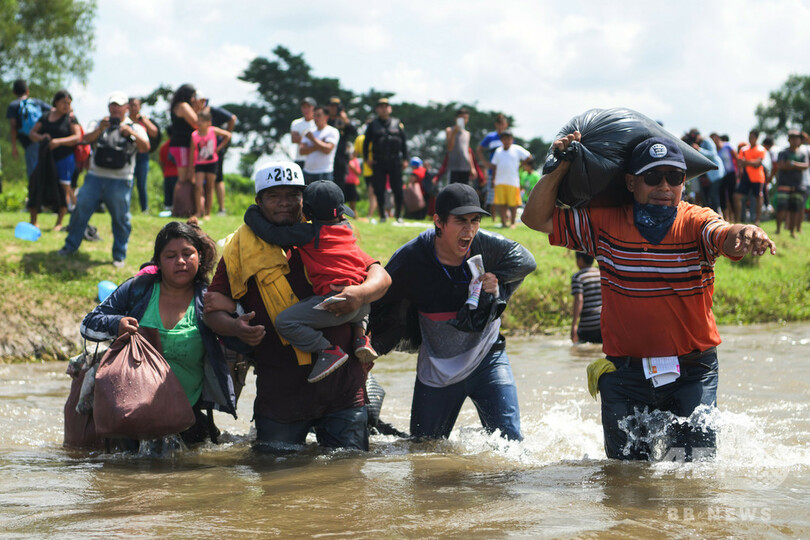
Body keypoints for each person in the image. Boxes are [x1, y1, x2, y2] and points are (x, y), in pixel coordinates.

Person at [522, 132, 776, 460]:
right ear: (630, 182)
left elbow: (722, 233)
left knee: (691, 474)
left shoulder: (695, 221)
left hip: (691, 371)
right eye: (653, 177)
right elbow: (535, 218)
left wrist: (743, 233)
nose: (665, 187)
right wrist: (560, 166)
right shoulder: (605, 223)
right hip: (626, 375)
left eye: (675, 177)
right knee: (626, 481)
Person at [202, 162, 391, 452]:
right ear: (258, 202)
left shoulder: (324, 235)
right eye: (274, 196)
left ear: (305, 201)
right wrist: (235, 327)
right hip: (280, 395)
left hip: (342, 392)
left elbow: (380, 275)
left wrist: (360, 293)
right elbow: (212, 311)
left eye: (292, 195)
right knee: (276, 481)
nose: (285, 203)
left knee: (350, 481)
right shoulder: (240, 249)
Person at [369, 183, 536, 441]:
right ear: (439, 221)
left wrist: (497, 281)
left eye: (475, 220)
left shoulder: (488, 246)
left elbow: (527, 261)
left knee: (512, 448)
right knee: (424, 451)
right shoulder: (411, 258)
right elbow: (380, 305)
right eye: (460, 221)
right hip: (437, 370)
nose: (469, 230)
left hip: (488, 359)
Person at [80, 219, 237, 447]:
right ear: (159, 262)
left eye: (187, 254)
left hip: (185, 415)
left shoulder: (208, 299)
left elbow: (242, 338)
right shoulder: (138, 289)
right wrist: (117, 323)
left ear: (200, 257)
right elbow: (88, 324)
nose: (180, 261)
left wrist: (232, 308)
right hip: (130, 414)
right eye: (170, 256)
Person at [242, 177, 379, 383]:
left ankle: (327, 351)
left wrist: (252, 213)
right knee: (356, 293)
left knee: (285, 321)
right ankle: (361, 337)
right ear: (341, 211)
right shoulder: (347, 227)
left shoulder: (309, 232)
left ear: (306, 213)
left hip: (336, 304)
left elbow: (272, 234)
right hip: (362, 303)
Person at [58, 91, 150, 267]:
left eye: (119, 105)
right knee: (79, 212)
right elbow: (85, 139)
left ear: (126, 108)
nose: (116, 109)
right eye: (112, 105)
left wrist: (129, 131)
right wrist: (101, 128)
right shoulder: (98, 123)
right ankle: (70, 247)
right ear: (109, 107)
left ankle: (119, 256)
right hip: (95, 177)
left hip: (121, 180)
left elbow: (145, 147)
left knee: (121, 219)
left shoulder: (134, 127)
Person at [27, 89, 81, 230]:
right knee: (36, 184)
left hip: (64, 158)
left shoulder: (71, 119)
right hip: (45, 158)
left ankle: (59, 222)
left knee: (63, 189)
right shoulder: (45, 117)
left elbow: (77, 137)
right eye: (64, 102)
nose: (66, 105)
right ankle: (34, 221)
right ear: (56, 102)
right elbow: (32, 133)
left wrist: (59, 142)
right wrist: (42, 138)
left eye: (69, 103)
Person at [364, 98, 408, 222]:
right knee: (379, 189)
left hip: (395, 161)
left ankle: (398, 215)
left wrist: (405, 159)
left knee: (398, 189)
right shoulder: (373, 124)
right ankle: (382, 215)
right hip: (378, 161)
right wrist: (367, 158)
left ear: (390, 108)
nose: (384, 109)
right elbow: (366, 143)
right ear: (377, 109)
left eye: (386, 106)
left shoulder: (397, 123)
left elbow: (404, 143)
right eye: (381, 106)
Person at [194, 91, 237, 215]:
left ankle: (221, 208)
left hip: (215, 152)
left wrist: (221, 143)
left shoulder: (213, 110)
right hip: (202, 154)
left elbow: (232, 118)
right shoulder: (198, 113)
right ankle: (204, 210)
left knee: (217, 179)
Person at [6, 79, 52, 182]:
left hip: (29, 142)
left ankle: (34, 194)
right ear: (27, 91)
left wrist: (14, 146)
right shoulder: (36, 102)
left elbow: (13, 127)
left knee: (33, 170)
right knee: (46, 168)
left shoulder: (13, 106)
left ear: (14, 92)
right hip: (44, 139)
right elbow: (53, 110)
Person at [190, 109, 232, 219]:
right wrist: (191, 168)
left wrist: (218, 148)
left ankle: (208, 213)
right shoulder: (194, 135)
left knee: (209, 187)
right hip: (199, 163)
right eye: (198, 120)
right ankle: (199, 211)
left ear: (209, 122)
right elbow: (192, 152)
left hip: (212, 163)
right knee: (198, 186)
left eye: (202, 121)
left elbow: (228, 135)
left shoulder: (213, 131)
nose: (200, 123)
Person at [490, 131, 531, 228]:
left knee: (513, 204)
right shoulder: (498, 151)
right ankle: (504, 223)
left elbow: (528, 156)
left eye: (509, 139)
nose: (507, 141)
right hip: (500, 181)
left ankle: (512, 223)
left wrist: (521, 165)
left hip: (513, 181)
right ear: (501, 140)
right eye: (504, 138)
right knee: (501, 203)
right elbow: (494, 166)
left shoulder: (516, 149)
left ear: (512, 140)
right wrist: (493, 179)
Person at [128, 97, 160, 213]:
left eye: (135, 105)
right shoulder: (125, 121)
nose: (133, 107)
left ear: (140, 107)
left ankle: (144, 209)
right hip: (129, 156)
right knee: (129, 183)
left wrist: (144, 120)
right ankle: (126, 208)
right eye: (131, 105)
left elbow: (154, 133)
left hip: (142, 156)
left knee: (141, 183)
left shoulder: (145, 120)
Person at [774, 129, 809, 237]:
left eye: (797, 138)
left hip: (797, 185)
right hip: (784, 184)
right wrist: (796, 166)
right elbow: (781, 166)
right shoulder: (783, 152)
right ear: (789, 139)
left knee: (795, 209)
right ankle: (778, 229)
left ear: (799, 140)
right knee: (781, 207)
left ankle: (792, 231)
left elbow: (806, 166)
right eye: (792, 138)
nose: (794, 140)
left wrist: (792, 164)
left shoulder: (802, 153)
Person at [477, 113, 510, 216]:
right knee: (492, 194)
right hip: (493, 170)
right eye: (499, 123)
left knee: (507, 194)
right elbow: (479, 149)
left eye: (502, 123)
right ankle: (493, 216)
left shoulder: (509, 137)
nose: (501, 126)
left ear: (506, 124)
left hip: (506, 170)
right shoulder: (490, 137)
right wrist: (485, 163)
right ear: (496, 124)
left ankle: (505, 215)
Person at [734, 130, 768, 225]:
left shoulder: (761, 149)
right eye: (749, 136)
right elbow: (740, 162)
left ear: (756, 138)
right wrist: (751, 162)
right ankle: (738, 220)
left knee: (758, 197)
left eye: (752, 137)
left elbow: (758, 164)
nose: (750, 138)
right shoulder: (744, 150)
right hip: (746, 177)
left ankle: (757, 220)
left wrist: (747, 162)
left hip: (758, 177)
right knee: (737, 196)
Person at [168, 84, 198, 191]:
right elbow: (196, 123)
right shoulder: (183, 106)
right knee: (183, 179)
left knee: (186, 178)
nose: (194, 99)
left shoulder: (177, 106)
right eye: (193, 96)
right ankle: (180, 206)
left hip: (180, 145)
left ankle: (183, 205)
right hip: (182, 145)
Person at [300, 106, 339, 185]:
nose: (315, 118)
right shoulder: (308, 131)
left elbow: (327, 150)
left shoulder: (332, 131)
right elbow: (302, 151)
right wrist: (320, 144)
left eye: (318, 116)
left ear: (326, 117)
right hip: (308, 172)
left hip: (324, 172)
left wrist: (313, 139)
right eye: (314, 116)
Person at [570, 252, 602, 344]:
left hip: (587, 326)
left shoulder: (578, 277)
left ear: (580, 259)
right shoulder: (600, 273)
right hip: (602, 323)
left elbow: (578, 300)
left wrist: (574, 325)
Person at [327, 96, 357, 189]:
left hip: (341, 157)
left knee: (339, 185)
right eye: (332, 106)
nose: (334, 109)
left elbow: (354, 132)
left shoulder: (344, 121)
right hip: (327, 156)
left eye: (336, 107)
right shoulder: (325, 120)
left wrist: (345, 120)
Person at [710, 133, 738, 222]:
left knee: (731, 196)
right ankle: (726, 218)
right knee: (722, 197)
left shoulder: (727, 146)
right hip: (722, 175)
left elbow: (736, 158)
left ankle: (734, 217)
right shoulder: (715, 151)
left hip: (731, 174)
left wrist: (739, 171)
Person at [445, 108, 476, 186]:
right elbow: (449, 148)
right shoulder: (449, 130)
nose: (463, 120)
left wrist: (472, 167)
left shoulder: (467, 133)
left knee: (464, 191)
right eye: (461, 118)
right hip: (453, 167)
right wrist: (454, 133)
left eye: (465, 118)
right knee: (452, 190)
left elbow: (468, 151)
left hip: (465, 167)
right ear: (456, 118)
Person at [290, 97, 316, 171]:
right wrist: (312, 139)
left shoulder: (318, 123)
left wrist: (303, 137)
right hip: (300, 159)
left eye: (309, 107)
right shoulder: (296, 123)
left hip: (314, 160)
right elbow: (294, 139)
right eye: (304, 107)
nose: (306, 110)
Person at [343, 144, 361, 214]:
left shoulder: (355, 161)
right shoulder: (344, 160)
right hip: (345, 183)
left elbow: (358, 172)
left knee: (352, 201)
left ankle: (354, 214)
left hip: (352, 183)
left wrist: (351, 166)